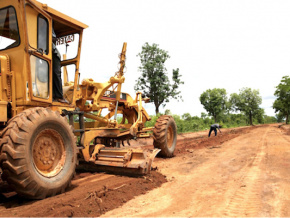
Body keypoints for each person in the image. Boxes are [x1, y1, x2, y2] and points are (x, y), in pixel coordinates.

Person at [52, 27, 68, 103]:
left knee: (56, 73)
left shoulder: (47, 26)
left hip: (52, 52)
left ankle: (58, 96)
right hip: (46, 52)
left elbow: (53, 38)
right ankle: (55, 95)